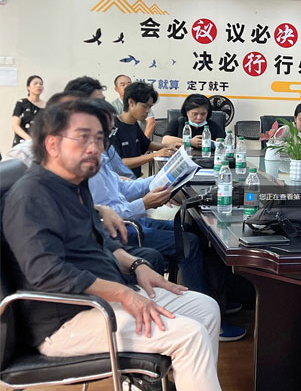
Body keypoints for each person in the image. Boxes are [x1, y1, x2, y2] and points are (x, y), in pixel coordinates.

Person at [2, 99, 221, 391]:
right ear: (52, 144)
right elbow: (47, 273)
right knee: (189, 335)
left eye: (99, 139)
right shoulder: (30, 196)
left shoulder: (75, 185)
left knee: (205, 308)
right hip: (68, 320)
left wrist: (137, 264)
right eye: (83, 138)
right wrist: (124, 294)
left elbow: (101, 239)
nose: (95, 148)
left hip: (107, 300)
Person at [88, 99, 207, 294]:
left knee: (189, 229)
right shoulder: (84, 167)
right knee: (189, 243)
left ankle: (201, 292)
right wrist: (144, 204)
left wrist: (161, 179)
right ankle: (192, 296)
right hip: (120, 230)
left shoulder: (101, 156)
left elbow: (123, 189)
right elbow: (106, 216)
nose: (109, 138)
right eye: (106, 132)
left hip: (130, 220)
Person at [109, 82, 177, 177]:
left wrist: (169, 146)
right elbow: (120, 163)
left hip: (135, 178)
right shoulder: (113, 128)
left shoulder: (134, 123)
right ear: (131, 102)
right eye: (145, 106)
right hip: (120, 181)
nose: (148, 111)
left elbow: (146, 144)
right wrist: (155, 155)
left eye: (150, 107)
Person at [111, 74, 156, 139]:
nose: (126, 87)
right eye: (123, 85)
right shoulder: (113, 107)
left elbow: (151, 122)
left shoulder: (135, 124)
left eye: (129, 84)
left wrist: (144, 142)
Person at [11, 75, 45, 146]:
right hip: (22, 143)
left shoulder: (47, 106)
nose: (38, 86)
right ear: (28, 87)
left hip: (40, 144)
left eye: (41, 84)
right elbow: (15, 126)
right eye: (35, 83)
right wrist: (30, 140)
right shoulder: (22, 103)